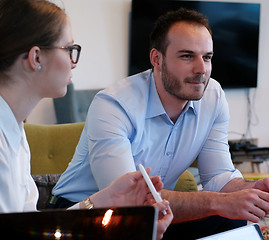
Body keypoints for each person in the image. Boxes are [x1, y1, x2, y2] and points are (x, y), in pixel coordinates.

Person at [50, 8, 269, 239]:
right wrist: (220, 202)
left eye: (207, 57)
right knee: (221, 210)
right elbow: (131, 202)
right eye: (187, 56)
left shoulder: (213, 96)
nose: (201, 69)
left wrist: (248, 189)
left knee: (231, 218)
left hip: (155, 212)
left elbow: (218, 177)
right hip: (87, 213)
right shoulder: (113, 104)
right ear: (157, 59)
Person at [0, 1, 172, 239]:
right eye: (68, 48)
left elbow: (30, 226)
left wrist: (103, 200)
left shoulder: (15, 132)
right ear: (36, 57)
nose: (73, 61)